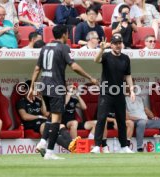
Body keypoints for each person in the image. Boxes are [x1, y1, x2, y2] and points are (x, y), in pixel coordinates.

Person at [27, 25, 97, 160]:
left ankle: (42, 143)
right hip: (56, 87)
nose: (68, 36)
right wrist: (89, 77)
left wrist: (32, 87)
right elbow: (74, 65)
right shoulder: (64, 48)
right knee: (56, 120)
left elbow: (37, 69)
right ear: (64, 34)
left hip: (45, 86)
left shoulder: (45, 47)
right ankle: (49, 152)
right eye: (68, 33)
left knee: (51, 117)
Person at [91, 34, 135, 153]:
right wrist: (101, 49)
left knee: (121, 120)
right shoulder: (106, 55)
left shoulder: (126, 58)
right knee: (101, 118)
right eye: (115, 43)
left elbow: (128, 75)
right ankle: (96, 145)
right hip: (106, 92)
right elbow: (95, 60)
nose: (117, 45)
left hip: (119, 93)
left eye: (119, 43)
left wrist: (131, 90)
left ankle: (124, 146)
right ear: (111, 44)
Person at [125, 88, 160, 152]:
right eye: (130, 85)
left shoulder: (139, 98)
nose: (132, 87)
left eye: (133, 85)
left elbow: (146, 110)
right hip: (135, 121)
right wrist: (140, 118)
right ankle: (139, 147)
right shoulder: (123, 99)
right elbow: (126, 117)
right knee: (142, 122)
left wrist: (153, 117)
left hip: (146, 120)